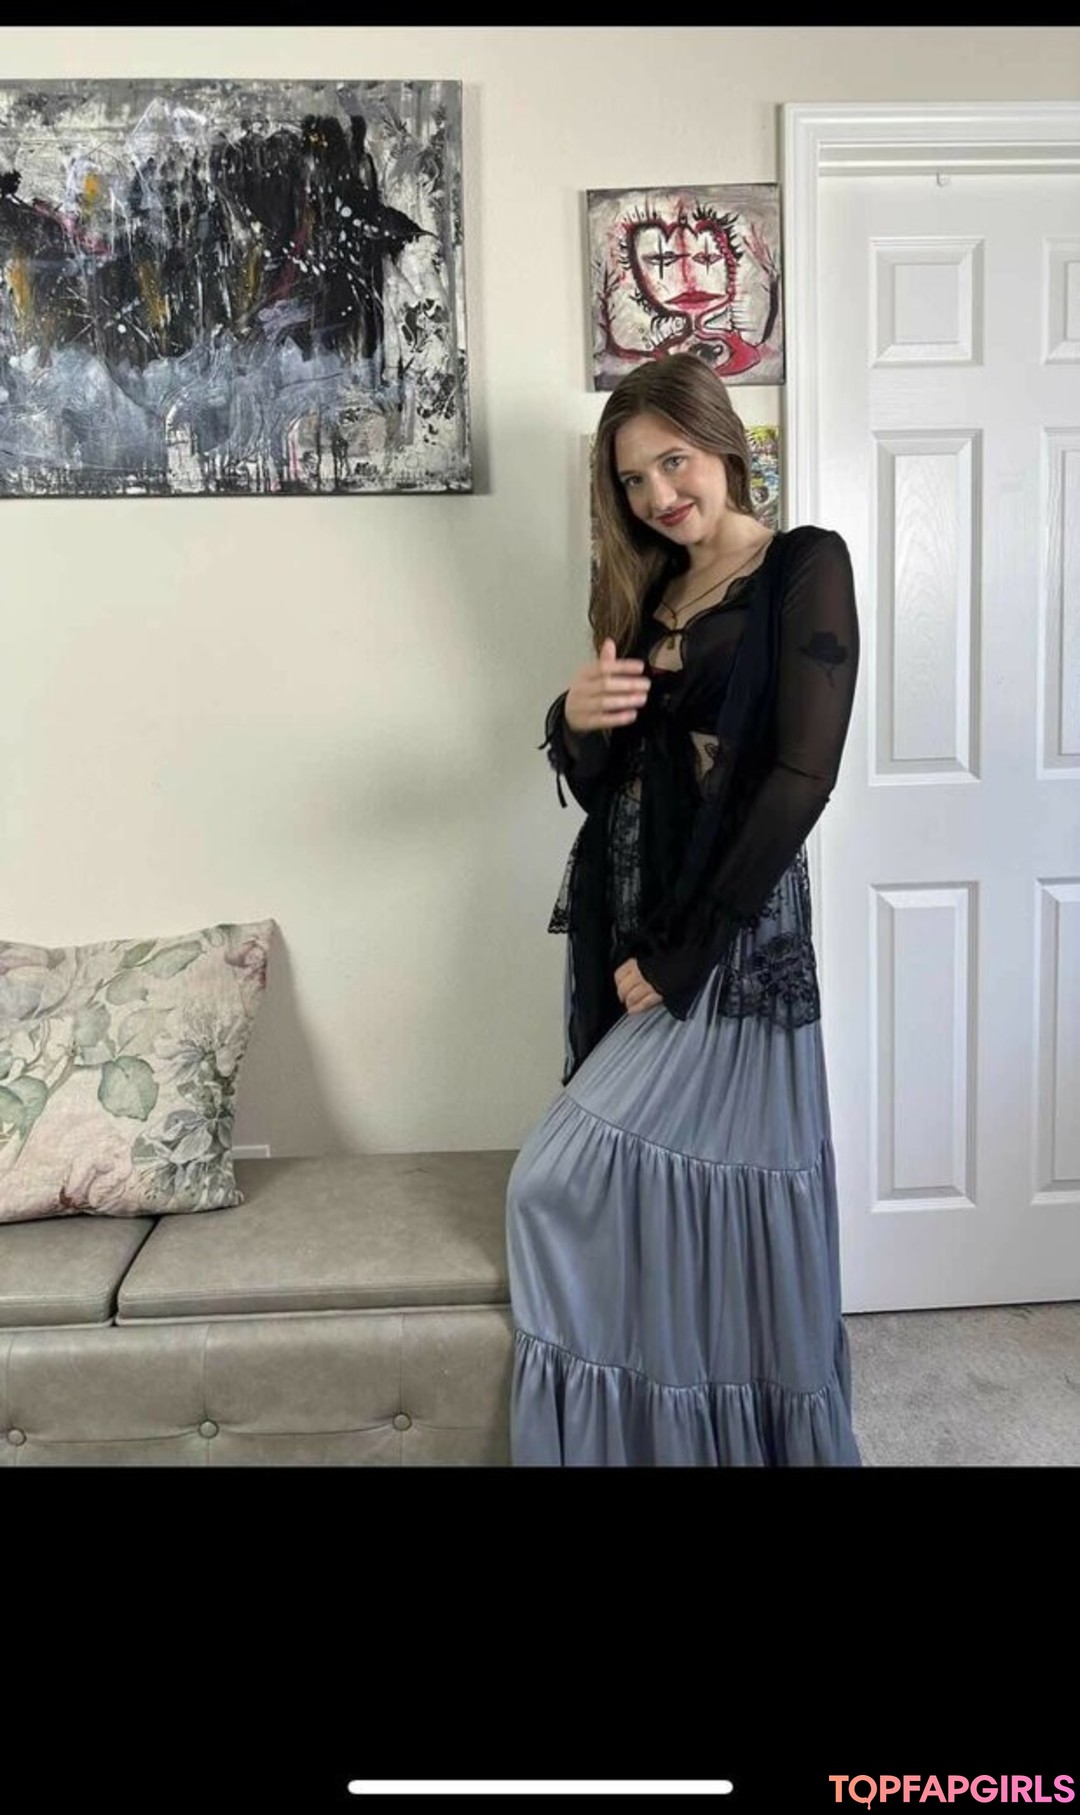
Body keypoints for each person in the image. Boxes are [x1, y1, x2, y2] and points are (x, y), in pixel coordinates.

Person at [505, 351, 862, 1466]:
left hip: (727, 939)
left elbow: (801, 775)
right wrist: (573, 720)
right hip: (630, 915)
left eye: (673, 462)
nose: (658, 494)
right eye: (632, 479)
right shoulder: (646, 590)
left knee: (565, 1181)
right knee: (643, 1206)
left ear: (723, 443)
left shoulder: (803, 565)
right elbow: (607, 784)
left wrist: (689, 953)